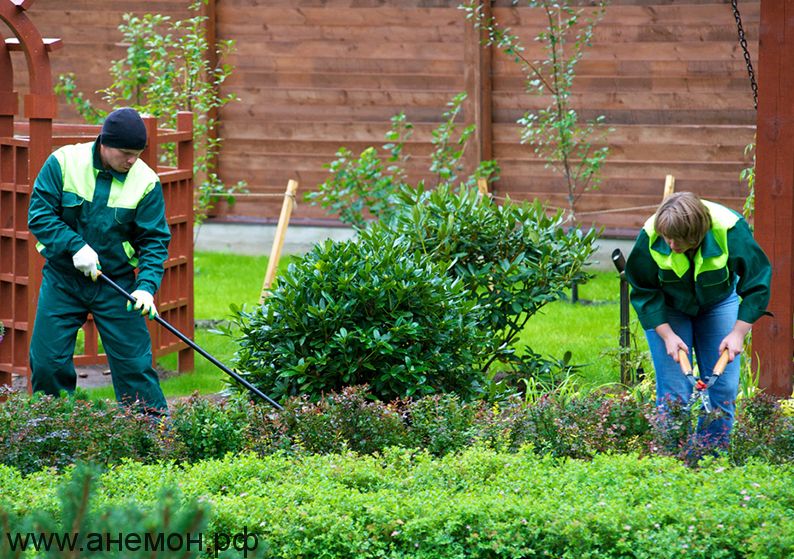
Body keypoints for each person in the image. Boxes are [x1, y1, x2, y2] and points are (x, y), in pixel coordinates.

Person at [27, 108, 171, 414]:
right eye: (127, 153)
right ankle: (53, 431)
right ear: (105, 143)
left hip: (116, 284)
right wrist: (75, 246)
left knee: (135, 365)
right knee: (47, 363)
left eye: (138, 153)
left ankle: (152, 436)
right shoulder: (64, 163)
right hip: (63, 280)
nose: (132, 160)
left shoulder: (145, 182)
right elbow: (39, 216)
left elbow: (154, 241)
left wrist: (146, 288)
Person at [625, 192, 771, 448]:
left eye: (678, 240)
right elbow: (644, 291)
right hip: (668, 308)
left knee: (722, 390)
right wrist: (668, 336)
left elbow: (757, 283)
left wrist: (737, 333)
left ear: (698, 233)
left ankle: (710, 464)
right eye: (667, 238)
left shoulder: (730, 229)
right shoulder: (651, 235)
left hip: (718, 302)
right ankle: (673, 467)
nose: (670, 245)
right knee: (674, 394)